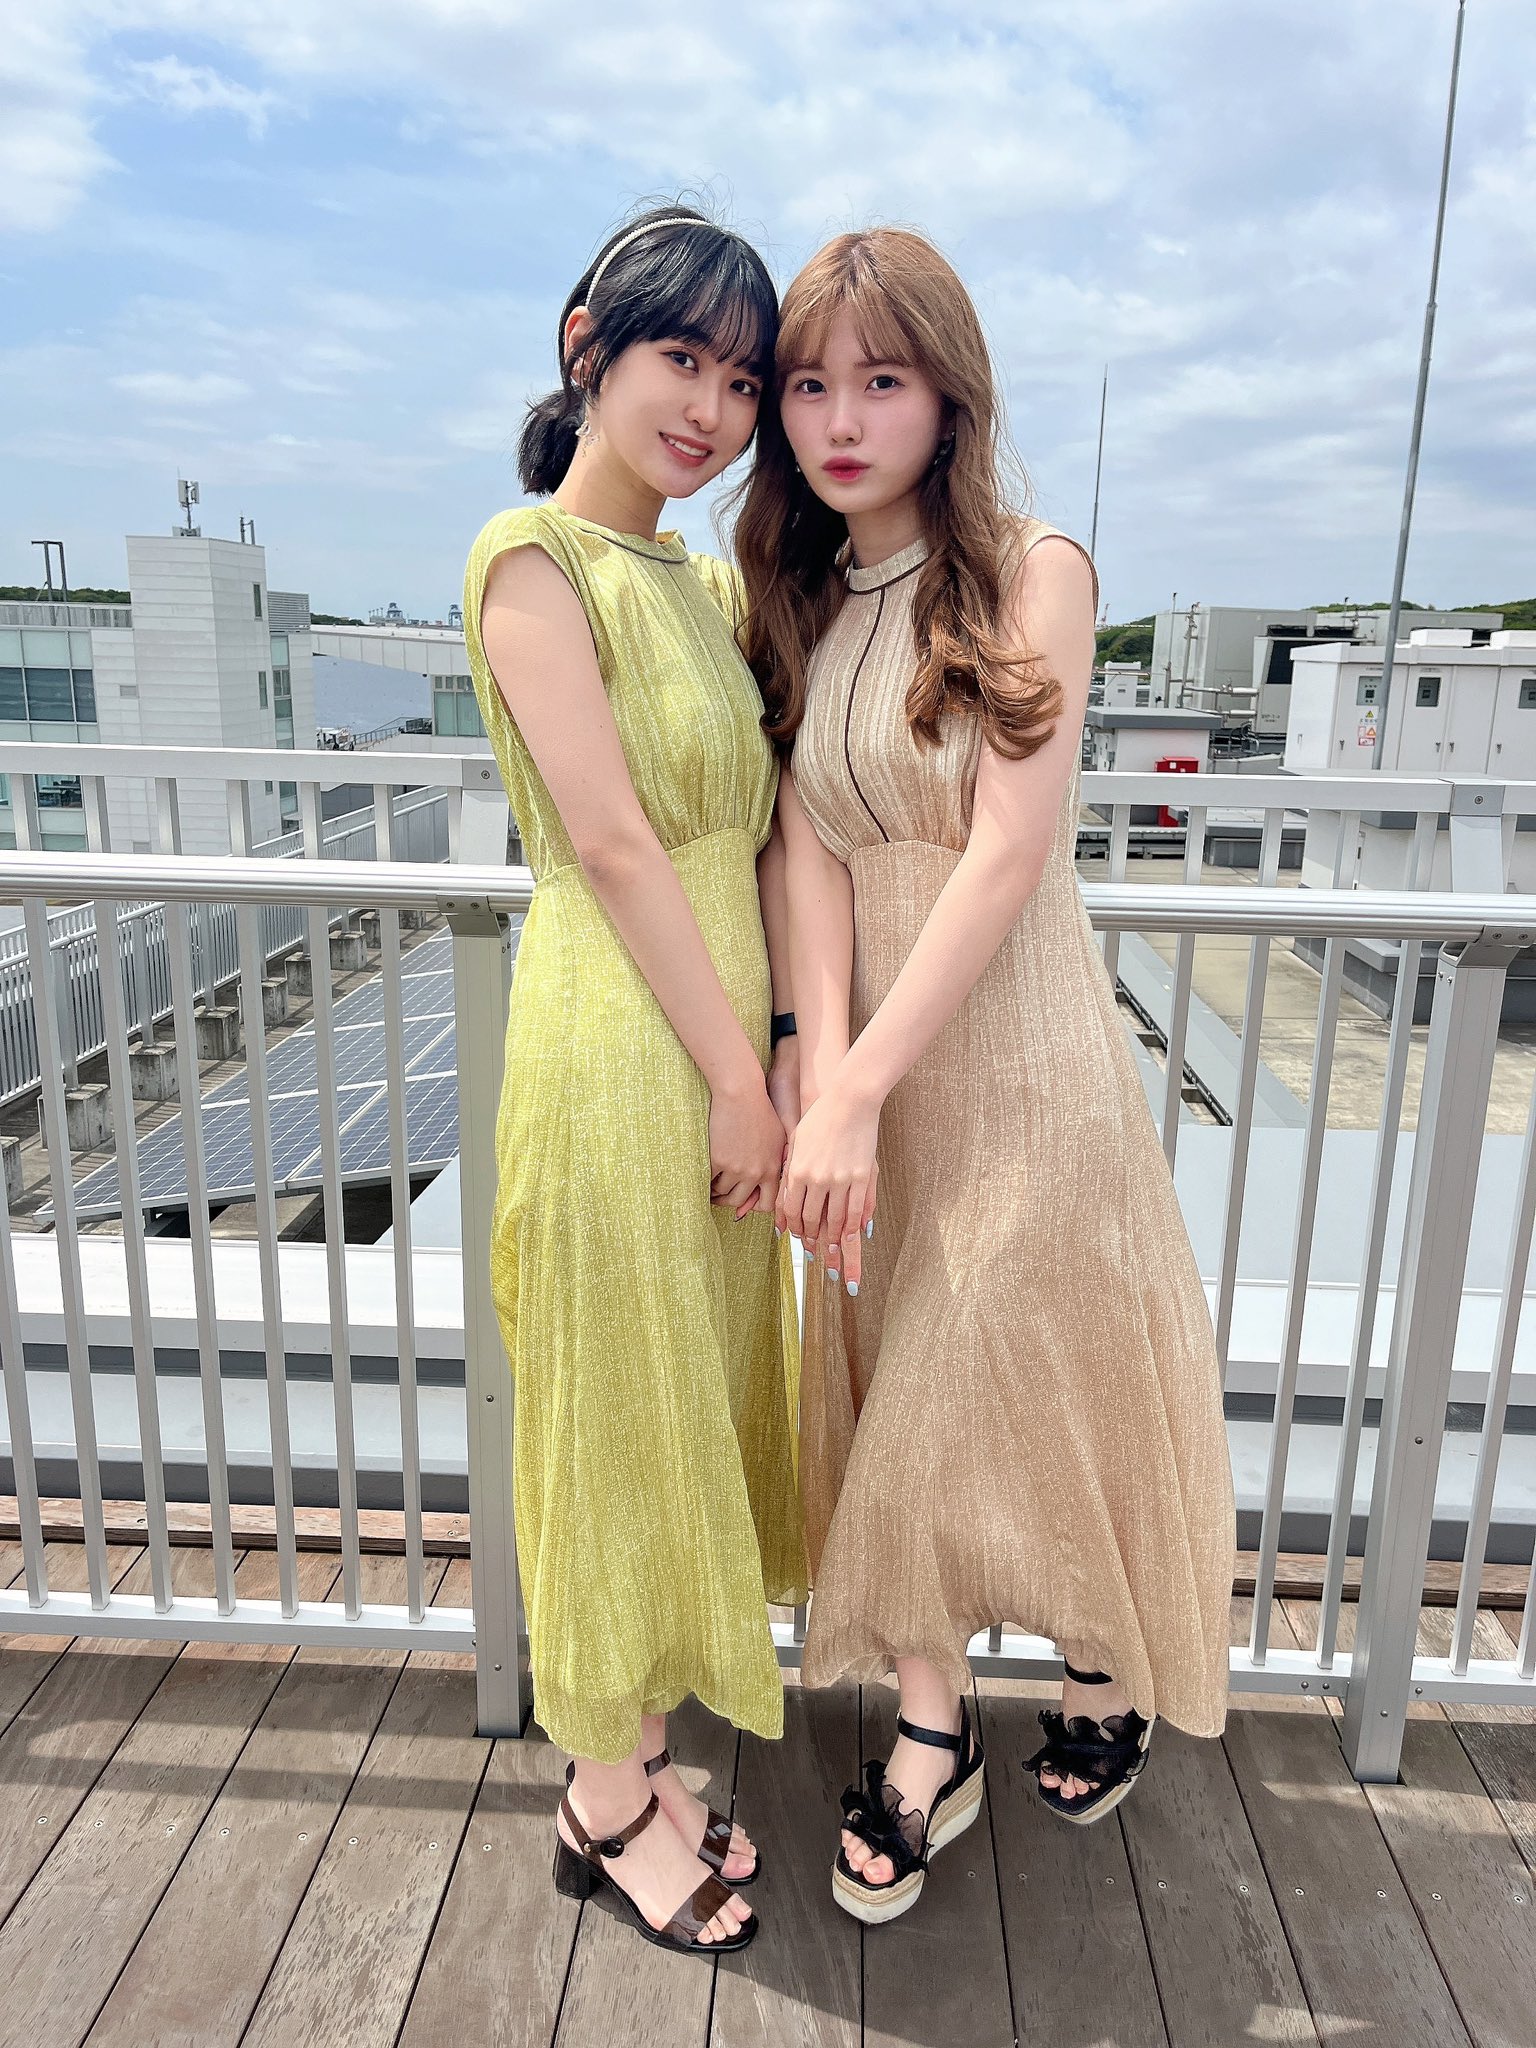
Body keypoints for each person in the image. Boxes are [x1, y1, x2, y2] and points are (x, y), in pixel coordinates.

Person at [735, 227, 1236, 1926]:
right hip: (874, 1074)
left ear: (949, 396)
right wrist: (821, 1073)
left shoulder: (1036, 571)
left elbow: (1009, 855)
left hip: (1015, 1056)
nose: (839, 420)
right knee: (902, 1383)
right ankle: (936, 1720)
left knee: (1023, 1371)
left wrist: (857, 1088)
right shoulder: (803, 595)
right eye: (811, 384)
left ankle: (1100, 1659)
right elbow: (806, 855)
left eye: (881, 380)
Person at [461, 205, 807, 1958]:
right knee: (611, 1413)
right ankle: (600, 1804)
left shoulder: (705, 579)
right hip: (619, 1048)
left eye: (741, 381)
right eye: (683, 359)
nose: (713, 410)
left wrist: (781, 1050)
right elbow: (609, 840)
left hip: (721, 1045)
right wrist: (741, 1077)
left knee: (682, 1399)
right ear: (587, 343)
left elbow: (765, 829)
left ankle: (643, 1762)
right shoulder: (533, 558)